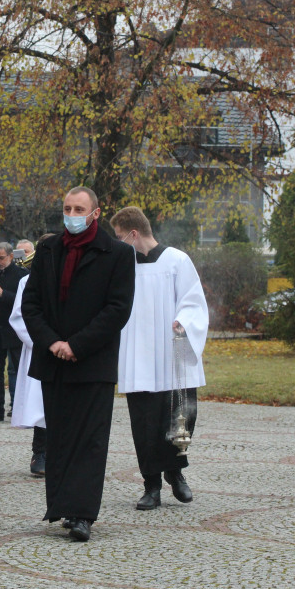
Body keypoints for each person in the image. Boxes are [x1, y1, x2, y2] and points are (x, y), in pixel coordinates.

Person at [21, 186, 135, 541]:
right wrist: (53, 342)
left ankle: (83, 513)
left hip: (92, 362)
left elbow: (118, 309)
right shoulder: (49, 249)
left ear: (95, 213)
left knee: (89, 440)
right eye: (68, 208)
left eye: (79, 208)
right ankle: (62, 507)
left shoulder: (117, 253)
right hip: (53, 359)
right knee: (59, 437)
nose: (72, 214)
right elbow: (31, 303)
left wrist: (77, 345)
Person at [112, 206, 208, 510]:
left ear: (134, 233)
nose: (117, 242)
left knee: (180, 414)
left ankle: (176, 472)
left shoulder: (177, 261)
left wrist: (184, 320)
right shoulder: (123, 265)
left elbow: (193, 300)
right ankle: (151, 484)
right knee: (144, 421)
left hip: (171, 351)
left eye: (119, 236)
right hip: (138, 354)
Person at [8, 236, 49, 475]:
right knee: (40, 403)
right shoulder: (27, 281)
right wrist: (42, 341)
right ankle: (40, 452)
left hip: (64, 349)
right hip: (39, 349)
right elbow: (18, 316)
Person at [0, 242, 25, 423]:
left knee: (19, 369)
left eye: (1, 258)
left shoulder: (22, 275)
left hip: (14, 331)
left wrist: (2, 293)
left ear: (10, 256)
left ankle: (21, 407)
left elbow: (24, 301)